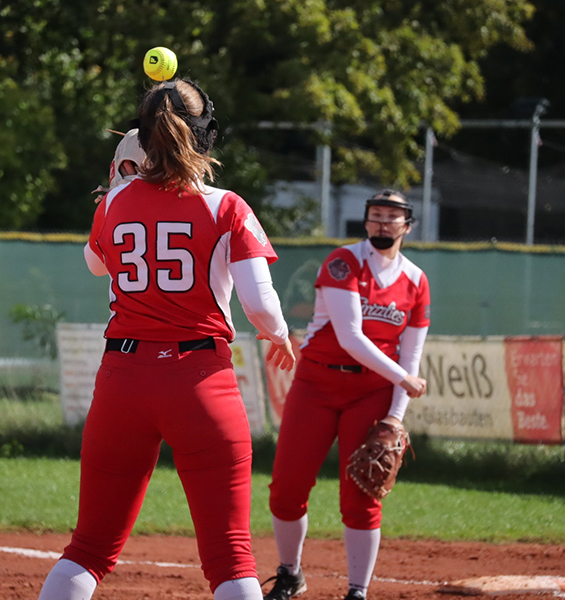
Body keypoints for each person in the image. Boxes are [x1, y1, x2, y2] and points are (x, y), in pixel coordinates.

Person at [38, 78, 297, 600]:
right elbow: (260, 304)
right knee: (231, 557)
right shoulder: (227, 206)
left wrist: (116, 189)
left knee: (88, 549)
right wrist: (280, 335)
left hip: (123, 380)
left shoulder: (113, 203)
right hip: (200, 382)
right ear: (206, 134)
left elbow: (95, 264)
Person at [261, 189, 430, 600]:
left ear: (407, 226)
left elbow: (411, 354)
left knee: (361, 496)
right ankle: (290, 573)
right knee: (287, 488)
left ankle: (357, 591)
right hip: (317, 384)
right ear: (366, 221)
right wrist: (404, 379)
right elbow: (350, 336)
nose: (382, 222)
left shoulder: (416, 281)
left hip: (371, 392)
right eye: (376, 214)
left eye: (392, 216)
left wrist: (395, 415)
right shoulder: (344, 262)